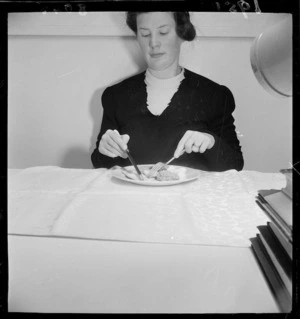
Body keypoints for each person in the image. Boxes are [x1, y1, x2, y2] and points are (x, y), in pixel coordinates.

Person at [91, 12, 244, 172]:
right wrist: (105, 149)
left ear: (181, 33)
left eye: (163, 32)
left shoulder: (215, 95)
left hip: (190, 197)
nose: (153, 43)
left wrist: (211, 141)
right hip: (134, 197)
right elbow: (100, 165)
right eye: (144, 34)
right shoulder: (115, 96)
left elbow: (236, 164)